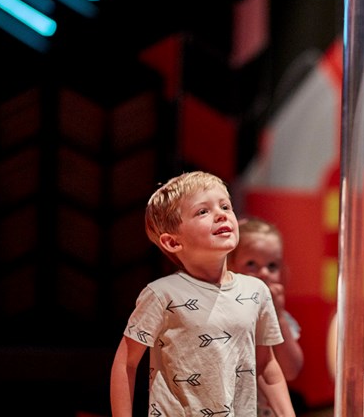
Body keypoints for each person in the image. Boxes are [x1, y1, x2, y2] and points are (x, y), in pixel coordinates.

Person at [110, 171, 295, 417]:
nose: (221, 215)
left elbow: (266, 366)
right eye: (203, 211)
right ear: (173, 242)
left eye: (225, 206)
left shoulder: (256, 292)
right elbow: (126, 363)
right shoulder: (162, 294)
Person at [228, 217, 305, 415]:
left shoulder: (279, 317)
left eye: (272, 266)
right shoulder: (221, 311)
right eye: (251, 264)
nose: (263, 273)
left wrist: (278, 317)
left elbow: (291, 370)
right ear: (230, 266)